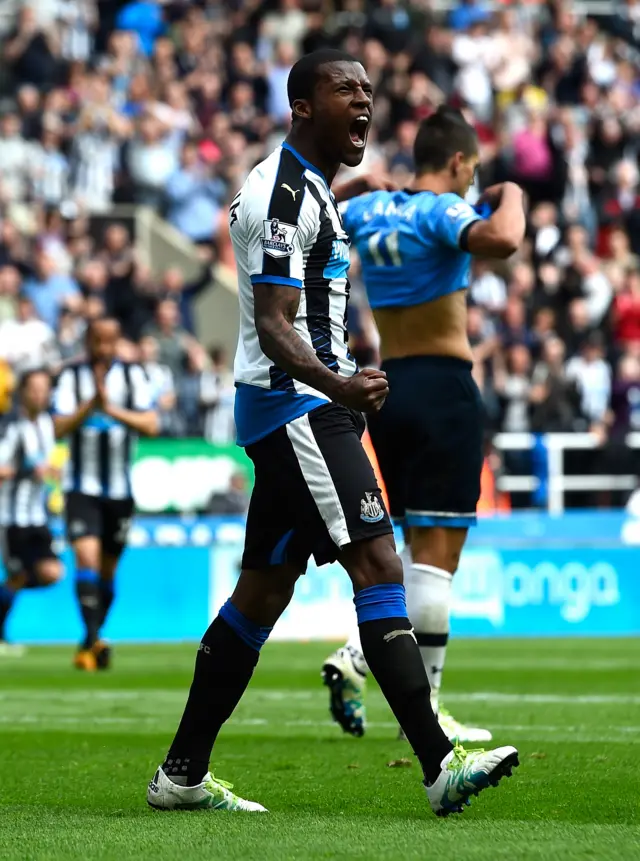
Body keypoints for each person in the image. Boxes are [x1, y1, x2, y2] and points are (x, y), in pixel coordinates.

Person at [147, 50, 518, 818]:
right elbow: (278, 327)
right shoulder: (284, 195)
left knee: (261, 593)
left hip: (302, 406)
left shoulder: (306, 187)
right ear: (302, 104)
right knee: (380, 561)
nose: (364, 102)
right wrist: (342, 384)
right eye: (346, 88)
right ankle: (440, 765)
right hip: (299, 408)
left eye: (369, 91)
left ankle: (180, 774)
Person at [323, 106, 526, 743]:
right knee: (438, 561)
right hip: (442, 387)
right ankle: (422, 702)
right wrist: (513, 192)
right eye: (473, 171)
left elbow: (319, 213)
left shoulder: (370, 211)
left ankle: (359, 658)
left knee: (416, 552)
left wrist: (358, 185)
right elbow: (503, 240)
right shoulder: (442, 210)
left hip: (389, 390)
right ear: (462, 163)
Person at [52, 316, 158, 671]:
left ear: (118, 342)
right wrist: (89, 406)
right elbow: (57, 427)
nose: (103, 348)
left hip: (119, 490)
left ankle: (89, 641)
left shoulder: (133, 376)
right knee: (86, 559)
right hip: (81, 487)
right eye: (97, 341)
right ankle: (96, 641)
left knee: (108, 572)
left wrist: (109, 408)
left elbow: (152, 424)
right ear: (88, 342)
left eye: (109, 341)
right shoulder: (70, 376)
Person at [0, 369, 63, 653]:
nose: (39, 394)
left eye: (44, 388)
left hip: (37, 517)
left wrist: (52, 473)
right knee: (18, 576)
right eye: (34, 388)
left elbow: (46, 467)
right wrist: (23, 469)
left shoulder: (48, 425)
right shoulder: (12, 425)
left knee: (51, 572)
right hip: (11, 517)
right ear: (23, 392)